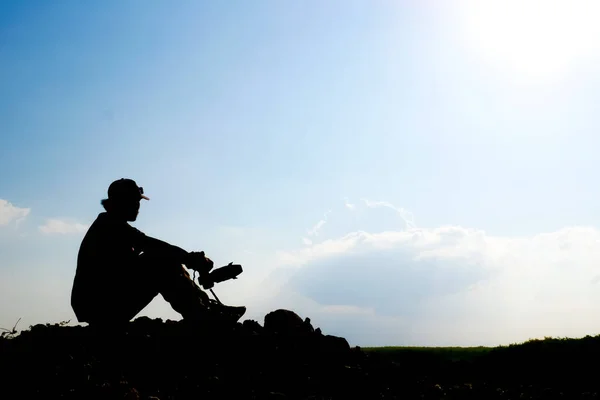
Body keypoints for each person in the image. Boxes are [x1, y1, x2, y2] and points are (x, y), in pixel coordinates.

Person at [70, 178, 246, 327]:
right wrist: (191, 259)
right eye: (134, 202)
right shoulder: (110, 226)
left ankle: (205, 308)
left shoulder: (111, 225)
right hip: (100, 308)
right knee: (161, 261)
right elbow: (153, 247)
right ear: (122, 203)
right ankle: (203, 316)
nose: (138, 206)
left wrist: (188, 259)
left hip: (102, 303)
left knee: (163, 259)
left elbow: (153, 247)